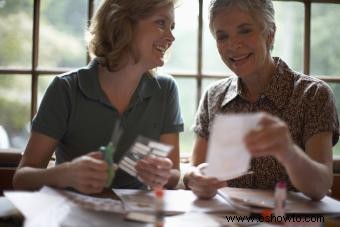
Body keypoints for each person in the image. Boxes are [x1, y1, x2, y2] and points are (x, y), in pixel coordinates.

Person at [13, 0, 183, 194]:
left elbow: (174, 174)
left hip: (138, 218)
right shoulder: (66, 89)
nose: (171, 37)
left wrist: (162, 174)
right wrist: (65, 174)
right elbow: (21, 178)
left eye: (172, 27)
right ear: (123, 23)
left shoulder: (165, 90)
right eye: (161, 23)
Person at [184, 0, 339, 201]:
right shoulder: (213, 96)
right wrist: (193, 178)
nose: (233, 45)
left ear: (270, 33)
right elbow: (195, 169)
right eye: (222, 36)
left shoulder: (313, 95)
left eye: (245, 31)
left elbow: (320, 186)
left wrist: (288, 152)